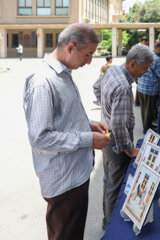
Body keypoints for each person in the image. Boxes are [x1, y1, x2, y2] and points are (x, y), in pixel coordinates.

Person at [23, 23, 111, 240]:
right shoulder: (43, 82)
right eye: (88, 54)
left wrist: (88, 123)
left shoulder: (63, 73)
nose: (90, 61)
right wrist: (87, 139)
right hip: (64, 181)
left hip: (75, 175)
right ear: (70, 47)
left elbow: (63, 117)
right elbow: (40, 137)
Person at [100, 44, 155, 231]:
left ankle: (106, 222)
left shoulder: (113, 70)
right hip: (116, 142)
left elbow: (96, 88)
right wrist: (129, 149)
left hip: (106, 135)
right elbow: (118, 124)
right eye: (144, 68)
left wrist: (105, 110)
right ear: (132, 64)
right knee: (115, 187)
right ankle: (110, 229)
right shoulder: (124, 87)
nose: (146, 72)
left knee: (109, 182)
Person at [137, 42, 160, 133]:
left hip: (142, 85)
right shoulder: (156, 59)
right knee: (149, 110)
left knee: (144, 109)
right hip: (150, 88)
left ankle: (147, 126)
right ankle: (147, 129)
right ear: (158, 49)